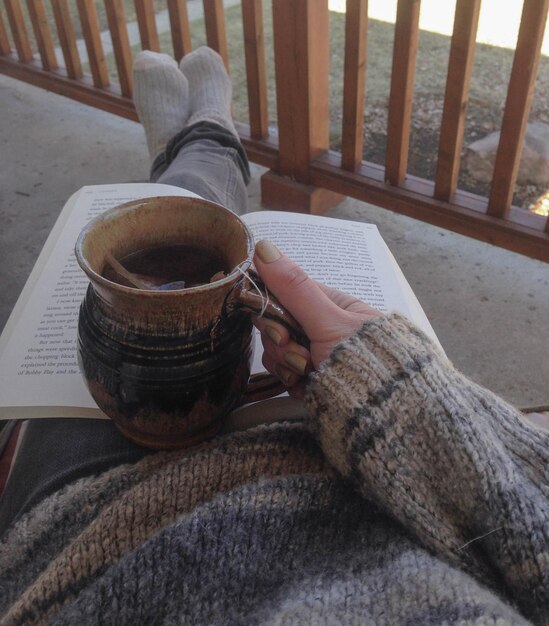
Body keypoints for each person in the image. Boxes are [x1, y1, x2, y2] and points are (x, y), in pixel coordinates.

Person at [0, 47, 547, 626]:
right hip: (354, 481)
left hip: (88, 532)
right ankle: (209, 135)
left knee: (193, 192)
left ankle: (199, 142)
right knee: (192, 199)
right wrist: (385, 383)